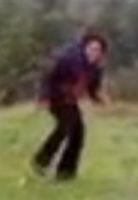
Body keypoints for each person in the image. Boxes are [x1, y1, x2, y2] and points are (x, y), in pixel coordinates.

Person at [31, 30, 109, 181]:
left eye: (98, 50)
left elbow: (92, 88)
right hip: (56, 96)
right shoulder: (69, 58)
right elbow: (49, 76)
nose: (94, 53)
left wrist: (99, 99)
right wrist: (44, 97)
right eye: (92, 48)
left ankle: (65, 172)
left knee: (78, 133)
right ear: (85, 47)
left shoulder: (96, 68)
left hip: (70, 101)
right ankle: (41, 160)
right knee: (66, 126)